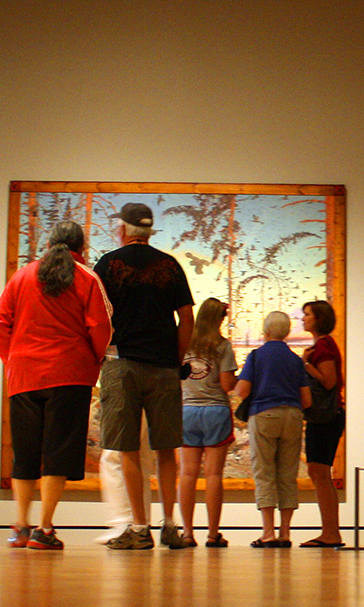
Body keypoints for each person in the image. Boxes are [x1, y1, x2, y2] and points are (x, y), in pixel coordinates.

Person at [0, 220, 113, 550]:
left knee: (24, 454)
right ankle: (45, 529)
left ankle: (20, 527)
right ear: (81, 249)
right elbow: (101, 327)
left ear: (49, 243)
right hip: (69, 375)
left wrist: (12, 359)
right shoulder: (86, 278)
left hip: (25, 376)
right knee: (58, 452)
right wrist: (94, 361)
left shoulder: (23, 275)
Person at [94, 202, 195, 550]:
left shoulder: (107, 264)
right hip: (164, 368)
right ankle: (170, 526)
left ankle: (139, 528)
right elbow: (187, 318)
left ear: (122, 229)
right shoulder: (169, 265)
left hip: (121, 363)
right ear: (149, 232)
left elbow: (95, 317)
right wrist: (176, 358)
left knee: (127, 449)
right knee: (167, 448)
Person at [233, 311, 312, 548]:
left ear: (265, 331)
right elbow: (306, 399)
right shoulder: (295, 360)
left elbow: (241, 391)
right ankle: (285, 532)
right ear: (287, 332)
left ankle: (268, 532)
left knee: (264, 473)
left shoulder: (256, 356)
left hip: (264, 414)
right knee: (288, 475)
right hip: (293, 416)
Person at [177, 298, 238, 548]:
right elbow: (226, 385)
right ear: (219, 319)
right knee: (213, 475)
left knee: (187, 474)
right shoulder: (223, 346)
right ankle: (213, 534)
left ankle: (188, 533)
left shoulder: (184, 345)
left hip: (186, 411)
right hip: (215, 412)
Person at [299, 300, 346, 548]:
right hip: (326, 417)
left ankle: (331, 532)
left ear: (318, 318)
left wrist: (305, 365)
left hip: (327, 417)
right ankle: (329, 531)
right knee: (318, 472)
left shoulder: (324, 345)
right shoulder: (322, 345)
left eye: (307, 315)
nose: (303, 318)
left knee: (319, 473)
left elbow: (329, 381)